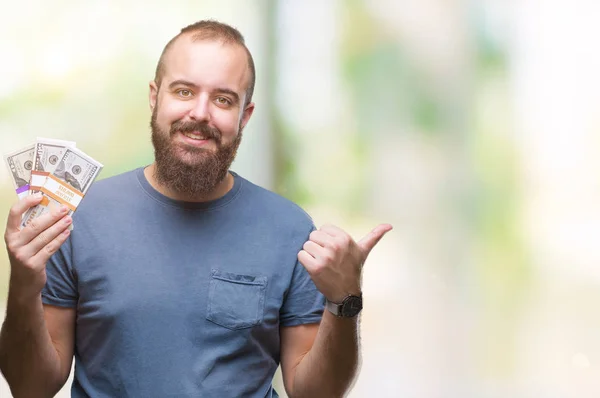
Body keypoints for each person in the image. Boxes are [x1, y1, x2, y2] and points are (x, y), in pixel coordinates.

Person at [0, 20, 392, 397]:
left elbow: (316, 395)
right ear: (155, 97)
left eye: (223, 99)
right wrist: (23, 285)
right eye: (184, 91)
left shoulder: (289, 229)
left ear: (245, 116)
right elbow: (30, 388)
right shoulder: (78, 220)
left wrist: (345, 301)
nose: (200, 113)